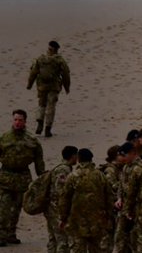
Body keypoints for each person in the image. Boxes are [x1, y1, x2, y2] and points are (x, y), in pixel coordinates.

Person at [0, 110, 44, 246]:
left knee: (17, 208)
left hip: (23, 178)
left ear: (25, 121)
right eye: (15, 120)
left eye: (20, 120)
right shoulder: (4, 138)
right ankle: (1, 235)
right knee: (3, 207)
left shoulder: (32, 140)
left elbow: (39, 161)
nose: (17, 122)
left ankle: (11, 234)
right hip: (5, 177)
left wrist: (42, 178)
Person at [57, 148, 112, 253]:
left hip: (77, 220)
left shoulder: (73, 176)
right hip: (97, 219)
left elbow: (65, 199)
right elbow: (109, 196)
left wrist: (63, 217)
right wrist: (108, 216)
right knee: (96, 248)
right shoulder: (100, 175)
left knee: (78, 247)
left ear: (78, 159)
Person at [26, 40, 70, 137]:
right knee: (51, 106)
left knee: (41, 104)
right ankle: (48, 128)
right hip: (54, 86)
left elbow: (33, 73)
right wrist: (67, 87)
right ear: (56, 49)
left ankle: (39, 121)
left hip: (42, 86)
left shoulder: (40, 59)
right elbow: (66, 74)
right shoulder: (59, 60)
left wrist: (29, 84)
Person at [46, 145, 78, 253]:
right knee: (62, 239)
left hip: (51, 207)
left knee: (53, 238)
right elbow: (61, 191)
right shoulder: (63, 169)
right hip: (56, 208)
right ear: (73, 156)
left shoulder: (61, 167)